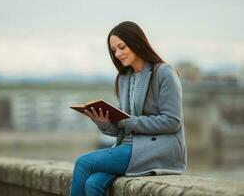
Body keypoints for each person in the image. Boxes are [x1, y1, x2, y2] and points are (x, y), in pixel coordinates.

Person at [69, 21, 187, 196]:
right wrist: (104, 123)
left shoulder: (164, 73)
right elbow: (121, 127)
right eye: (114, 50)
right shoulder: (124, 78)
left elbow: (172, 122)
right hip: (127, 147)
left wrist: (127, 121)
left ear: (136, 42)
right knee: (93, 183)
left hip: (156, 150)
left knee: (83, 163)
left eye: (121, 47)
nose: (117, 54)